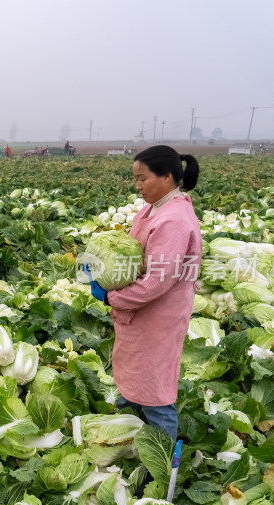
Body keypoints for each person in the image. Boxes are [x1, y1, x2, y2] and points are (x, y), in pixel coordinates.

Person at [84, 145, 201, 441]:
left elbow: (156, 282)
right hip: (140, 314)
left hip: (157, 315)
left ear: (167, 177)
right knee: (134, 371)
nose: (138, 186)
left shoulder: (173, 219)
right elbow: (135, 256)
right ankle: (127, 431)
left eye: (143, 178)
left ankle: (162, 460)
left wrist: (112, 297)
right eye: (135, 179)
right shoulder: (153, 209)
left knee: (154, 387)